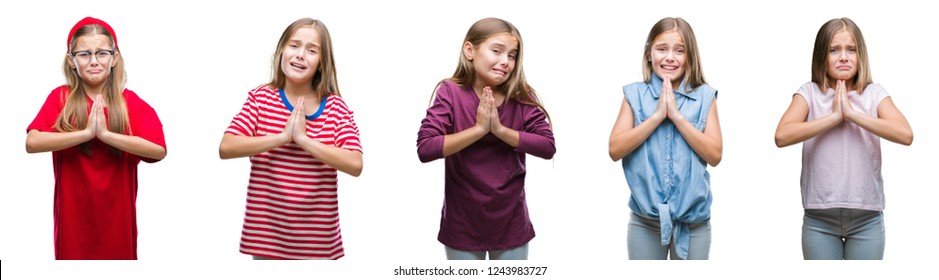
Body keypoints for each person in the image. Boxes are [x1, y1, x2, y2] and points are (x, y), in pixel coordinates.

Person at [219, 18, 363, 260]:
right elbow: (227, 146)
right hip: (266, 242)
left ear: (321, 63)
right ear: (281, 51)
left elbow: (355, 164)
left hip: (318, 245)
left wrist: (304, 140)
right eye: (294, 45)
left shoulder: (336, 108)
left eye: (312, 50)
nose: (300, 55)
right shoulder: (261, 98)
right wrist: (283, 137)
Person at [25, 17, 167, 260]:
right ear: (71, 60)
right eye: (84, 54)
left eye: (102, 53)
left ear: (114, 58)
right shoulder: (61, 99)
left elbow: (158, 150)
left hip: (117, 225)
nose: (93, 61)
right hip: (73, 227)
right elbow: (33, 142)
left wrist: (106, 135)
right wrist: (86, 134)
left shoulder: (130, 103)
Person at [416, 17, 555, 260]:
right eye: (497, 51)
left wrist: (499, 130)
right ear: (470, 50)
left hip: (511, 225)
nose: (506, 62)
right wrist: (479, 130)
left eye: (512, 55)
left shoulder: (521, 95)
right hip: (463, 227)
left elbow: (547, 146)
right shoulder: (450, 92)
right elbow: (426, 148)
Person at [774, 17, 912, 260]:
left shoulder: (874, 93)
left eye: (851, 49)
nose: (844, 57)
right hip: (819, 220)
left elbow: (905, 134)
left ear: (861, 56)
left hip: (867, 219)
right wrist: (835, 117)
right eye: (834, 50)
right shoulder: (810, 93)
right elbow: (782, 135)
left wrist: (853, 115)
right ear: (821, 56)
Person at [608, 17, 721, 260]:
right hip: (645, 222)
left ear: (689, 56)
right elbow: (615, 149)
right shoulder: (633, 94)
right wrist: (658, 116)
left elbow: (715, 155)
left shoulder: (705, 96)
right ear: (649, 53)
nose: (670, 57)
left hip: (693, 225)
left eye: (679, 50)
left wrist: (677, 117)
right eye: (662, 49)